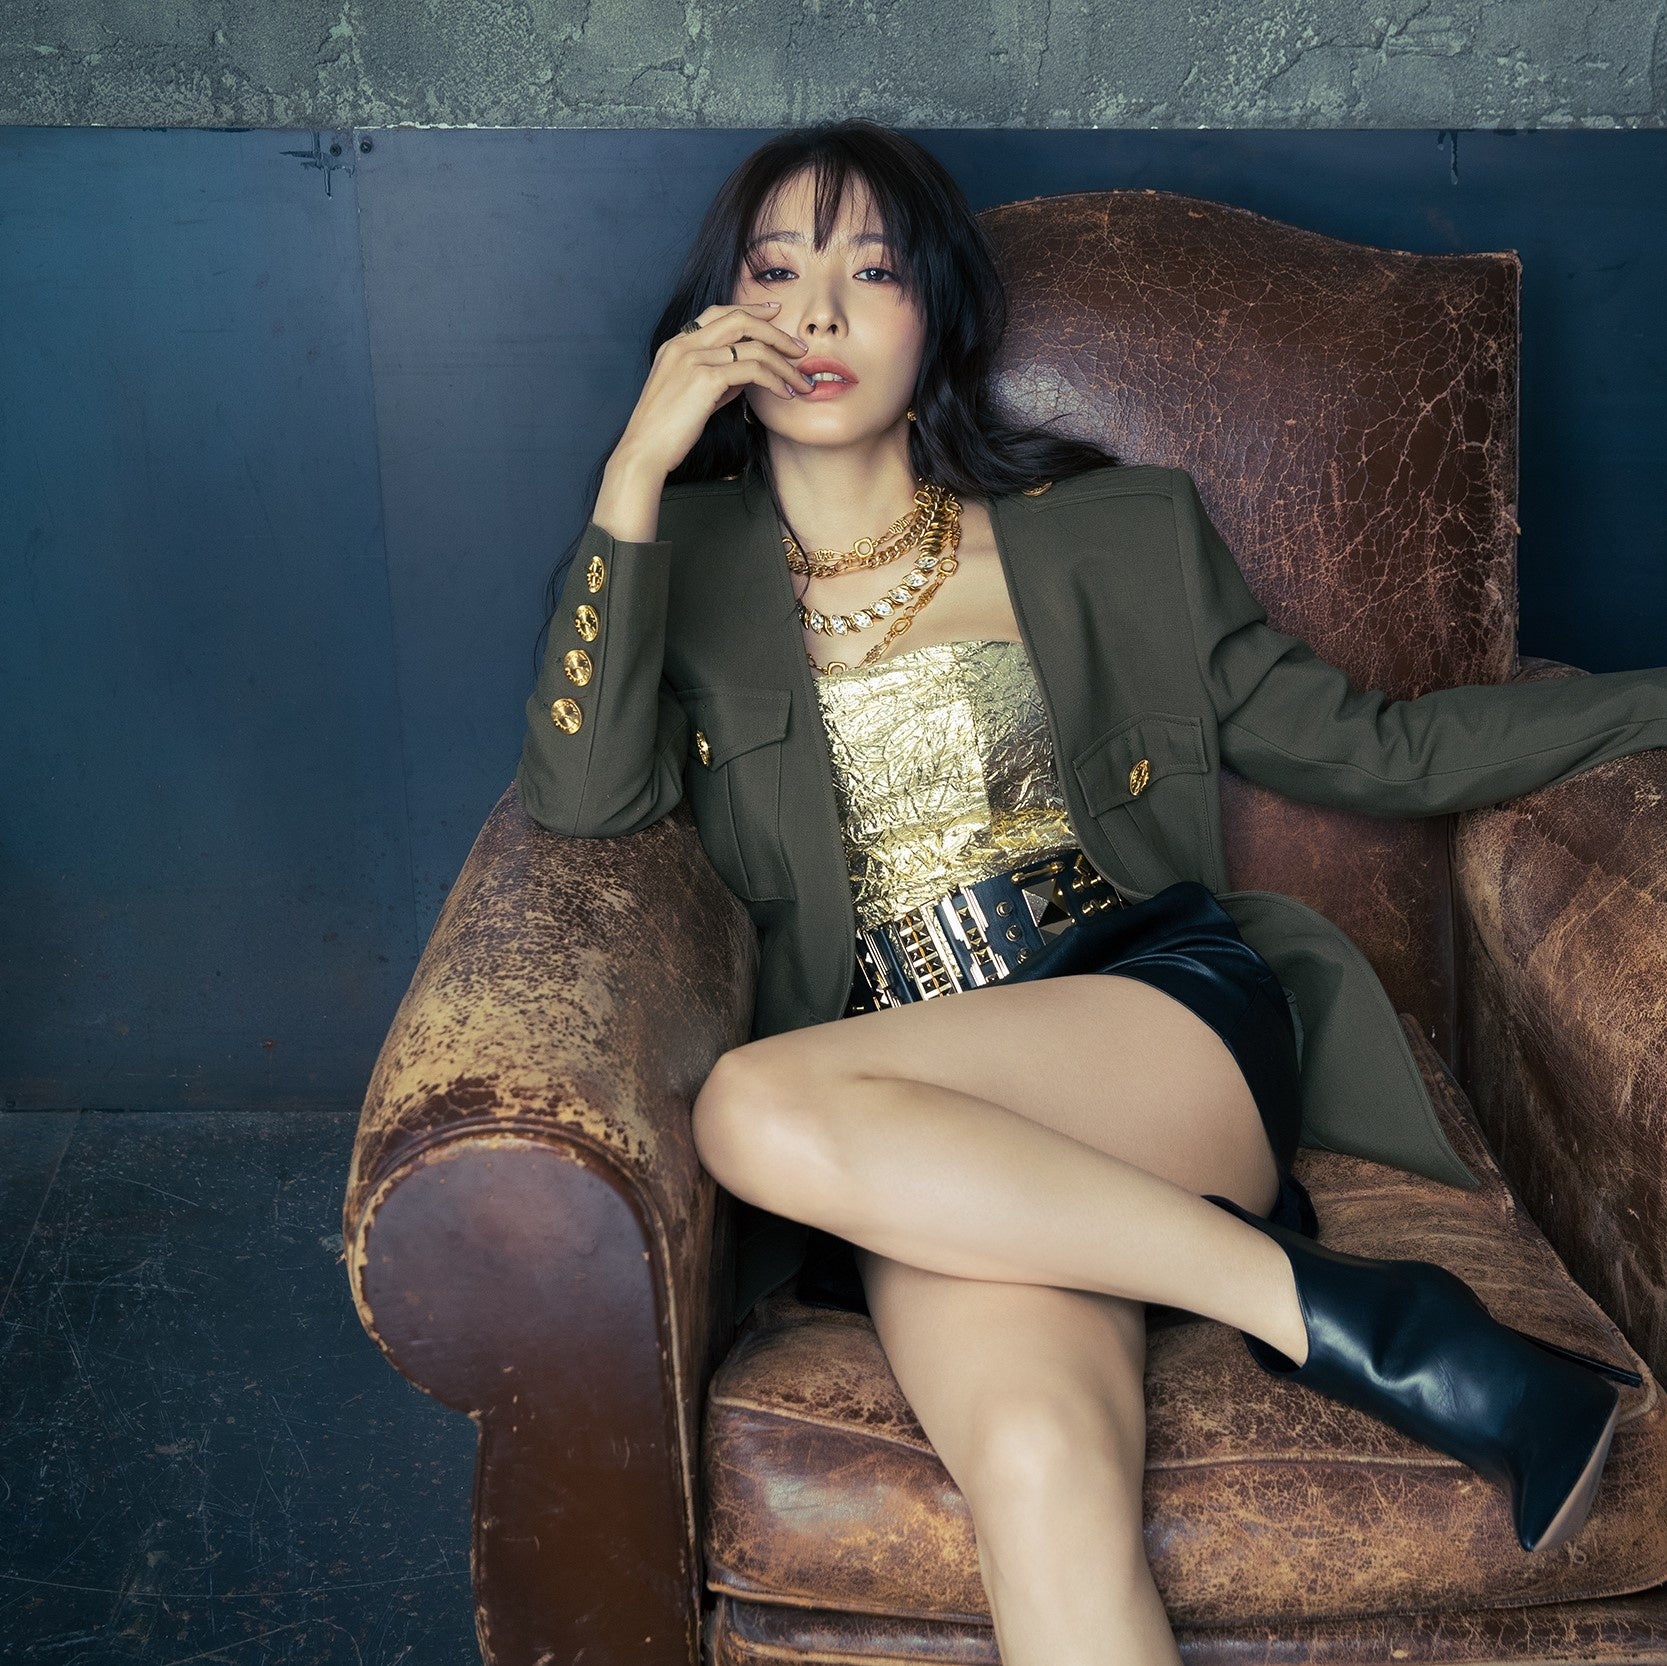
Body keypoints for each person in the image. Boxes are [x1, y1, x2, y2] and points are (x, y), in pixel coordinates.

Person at [515, 119, 1664, 1665]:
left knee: (749, 1104)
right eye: (775, 272)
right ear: (718, 318)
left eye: (873, 271)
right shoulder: (682, 566)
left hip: (1147, 1027)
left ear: (939, 311)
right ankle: (1348, 1312)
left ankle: (1348, 1318)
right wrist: (636, 469)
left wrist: (1652, 705)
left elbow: (1379, 749)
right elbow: (585, 794)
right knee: (1043, 1470)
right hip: (910, 1131)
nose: (819, 313)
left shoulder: (1113, 537)